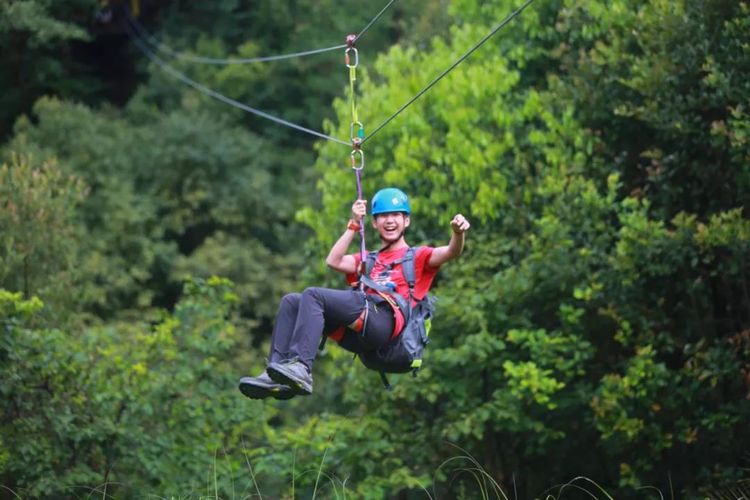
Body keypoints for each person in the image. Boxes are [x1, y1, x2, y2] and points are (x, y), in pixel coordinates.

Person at [238, 187, 470, 399]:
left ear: (406, 221)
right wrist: (353, 224)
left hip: (385, 323)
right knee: (292, 301)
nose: (390, 221)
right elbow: (333, 261)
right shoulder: (370, 259)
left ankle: (301, 367)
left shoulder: (418, 257)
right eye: (383, 217)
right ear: (375, 223)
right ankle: (276, 374)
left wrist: (458, 233)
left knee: (314, 295)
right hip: (359, 336)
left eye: (396, 215)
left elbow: (451, 252)